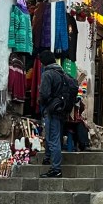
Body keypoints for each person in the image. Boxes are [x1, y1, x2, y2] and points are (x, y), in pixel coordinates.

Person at [38, 49, 66, 178]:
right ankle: (48, 158)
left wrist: (42, 102)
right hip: (60, 109)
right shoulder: (61, 72)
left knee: (53, 138)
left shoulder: (47, 74)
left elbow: (44, 93)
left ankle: (56, 169)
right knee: (55, 136)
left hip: (51, 109)